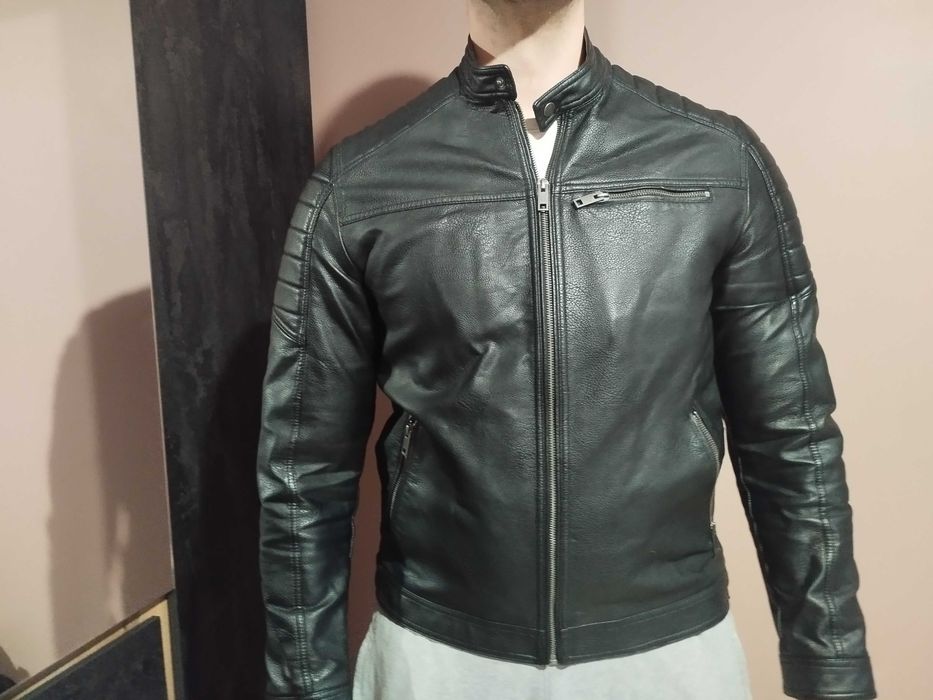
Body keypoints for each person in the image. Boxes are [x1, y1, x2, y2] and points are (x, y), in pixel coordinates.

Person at [255, 1, 878, 699]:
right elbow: (303, 470)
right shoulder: (361, 184)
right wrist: (305, 685)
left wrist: (833, 672)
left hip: (667, 657)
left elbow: (791, 439)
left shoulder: (718, 164)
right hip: (438, 657)